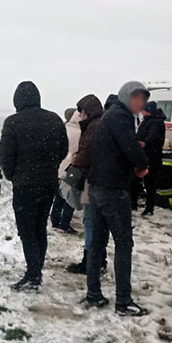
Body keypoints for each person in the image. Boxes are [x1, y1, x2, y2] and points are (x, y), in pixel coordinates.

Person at [84, 81, 151, 317]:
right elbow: (130, 147)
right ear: (125, 97)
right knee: (123, 244)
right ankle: (123, 301)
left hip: (98, 187)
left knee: (97, 244)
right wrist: (142, 165)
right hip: (113, 190)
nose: (140, 103)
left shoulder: (110, 116)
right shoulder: (121, 117)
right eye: (136, 98)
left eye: (143, 99)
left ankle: (93, 294)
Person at [0, 81, 69, 291]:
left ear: (17, 100)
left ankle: (33, 275)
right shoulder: (54, 119)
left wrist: (12, 175)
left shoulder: (13, 123)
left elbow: (6, 155)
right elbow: (63, 149)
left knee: (27, 231)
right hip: (48, 183)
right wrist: (51, 166)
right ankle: (35, 272)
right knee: (39, 228)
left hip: (24, 186)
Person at [65, 94, 105, 275]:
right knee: (97, 223)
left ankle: (90, 261)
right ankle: (98, 259)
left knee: (90, 221)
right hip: (101, 180)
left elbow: (86, 154)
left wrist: (76, 160)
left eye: (81, 112)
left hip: (93, 180)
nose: (79, 116)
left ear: (88, 111)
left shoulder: (93, 128)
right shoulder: (102, 124)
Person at [50, 108, 81, 233]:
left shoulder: (62, 129)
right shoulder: (80, 132)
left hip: (59, 168)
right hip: (71, 169)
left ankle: (55, 220)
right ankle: (64, 224)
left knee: (59, 196)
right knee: (70, 198)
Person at [132, 101, 166, 215]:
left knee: (149, 183)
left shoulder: (157, 123)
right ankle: (134, 204)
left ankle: (149, 207)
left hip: (152, 157)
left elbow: (154, 137)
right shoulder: (147, 121)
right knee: (137, 180)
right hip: (144, 156)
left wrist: (143, 143)